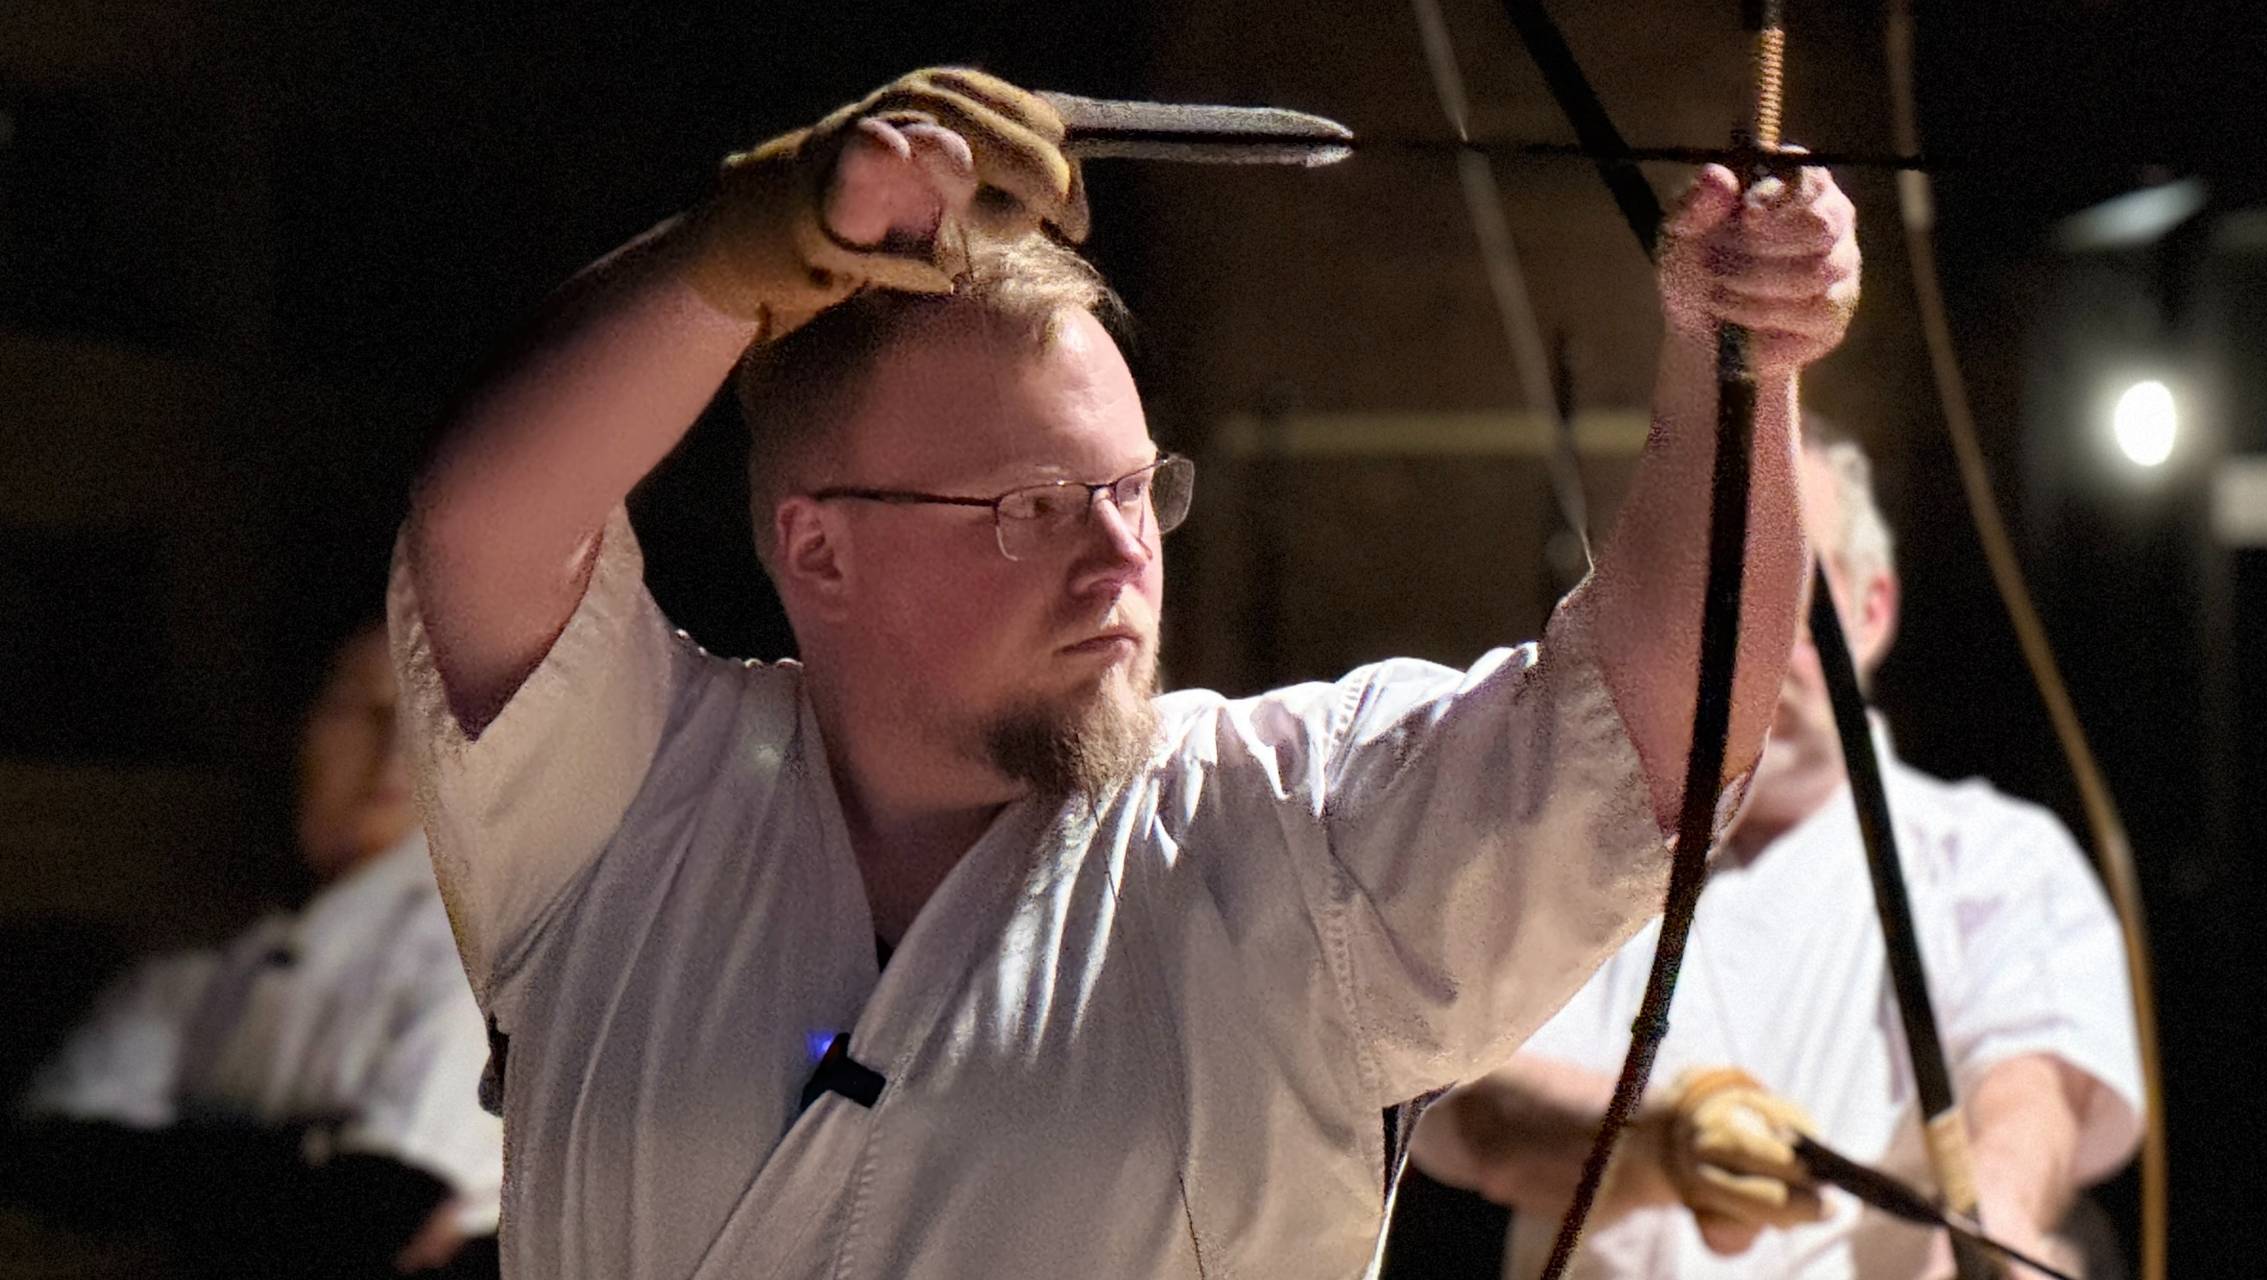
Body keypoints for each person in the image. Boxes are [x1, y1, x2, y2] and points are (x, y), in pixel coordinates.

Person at [389, 66, 1859, 1278]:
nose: (1120, 562)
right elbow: (487, 525)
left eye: (1135, 490)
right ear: (817, 550)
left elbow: (1657, 718)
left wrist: (1736, 361)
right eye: (1034, 509)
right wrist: (751, 246)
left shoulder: (1278, 830)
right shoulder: (634, 802)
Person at [1406, 431, 2146, 1280]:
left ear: (1869, 612)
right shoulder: (1569, 858)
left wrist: (1996, 1235)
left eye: (1788, 598)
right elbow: (1465, 1104)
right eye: (1711, 606)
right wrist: (1661, 1139)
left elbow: (2030, 1091)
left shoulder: (1996, 858)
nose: (1743, 656)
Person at [10, 621, 502, 1277]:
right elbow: (52, 1154)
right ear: (287, 725)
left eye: (426, 714)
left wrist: (189, 1156)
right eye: (360, 710)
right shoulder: (208, 933)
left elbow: (373, 1211)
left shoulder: (473, 946)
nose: (393, 749)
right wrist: (293, 1161)